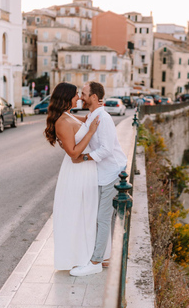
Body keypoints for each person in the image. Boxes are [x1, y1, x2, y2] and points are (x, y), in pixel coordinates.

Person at [68, 81, 127, 277]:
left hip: (113, 172)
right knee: (99, 217)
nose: (81, 97)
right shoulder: (93, 115)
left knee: (102, 217)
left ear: (94, 97)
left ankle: (96, 262)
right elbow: (82, 122)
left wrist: (83, 157)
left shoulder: (104, 118)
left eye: (84, 94)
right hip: (102, 173)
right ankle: (104, 255)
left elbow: (107, 149)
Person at [44, 82, 101, 271]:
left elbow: (85, 118)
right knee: (77, 214)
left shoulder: (68, 115)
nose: (79, 98)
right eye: (76, 95)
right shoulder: (61, 122)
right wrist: (91, 131)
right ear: (67, 97)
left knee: (86, 213)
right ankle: (77, 257)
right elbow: (74, 153)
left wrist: (96, 108)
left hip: (86, 171)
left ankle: (90, 253)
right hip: (77, 172)